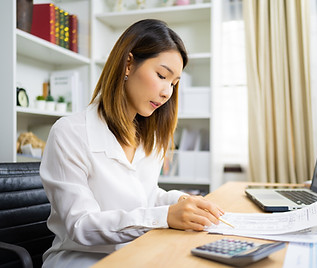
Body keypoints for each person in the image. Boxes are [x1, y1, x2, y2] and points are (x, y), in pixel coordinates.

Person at [40, 19, 224, 268]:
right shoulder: (70, 132)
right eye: (161, 75)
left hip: (136, 253)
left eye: (173, 83)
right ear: (128, 64)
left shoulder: (150, 135)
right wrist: (165, 217)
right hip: (81, 260)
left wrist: (180, 202)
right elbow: (81, 226)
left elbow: (145, 195)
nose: (167, 92)